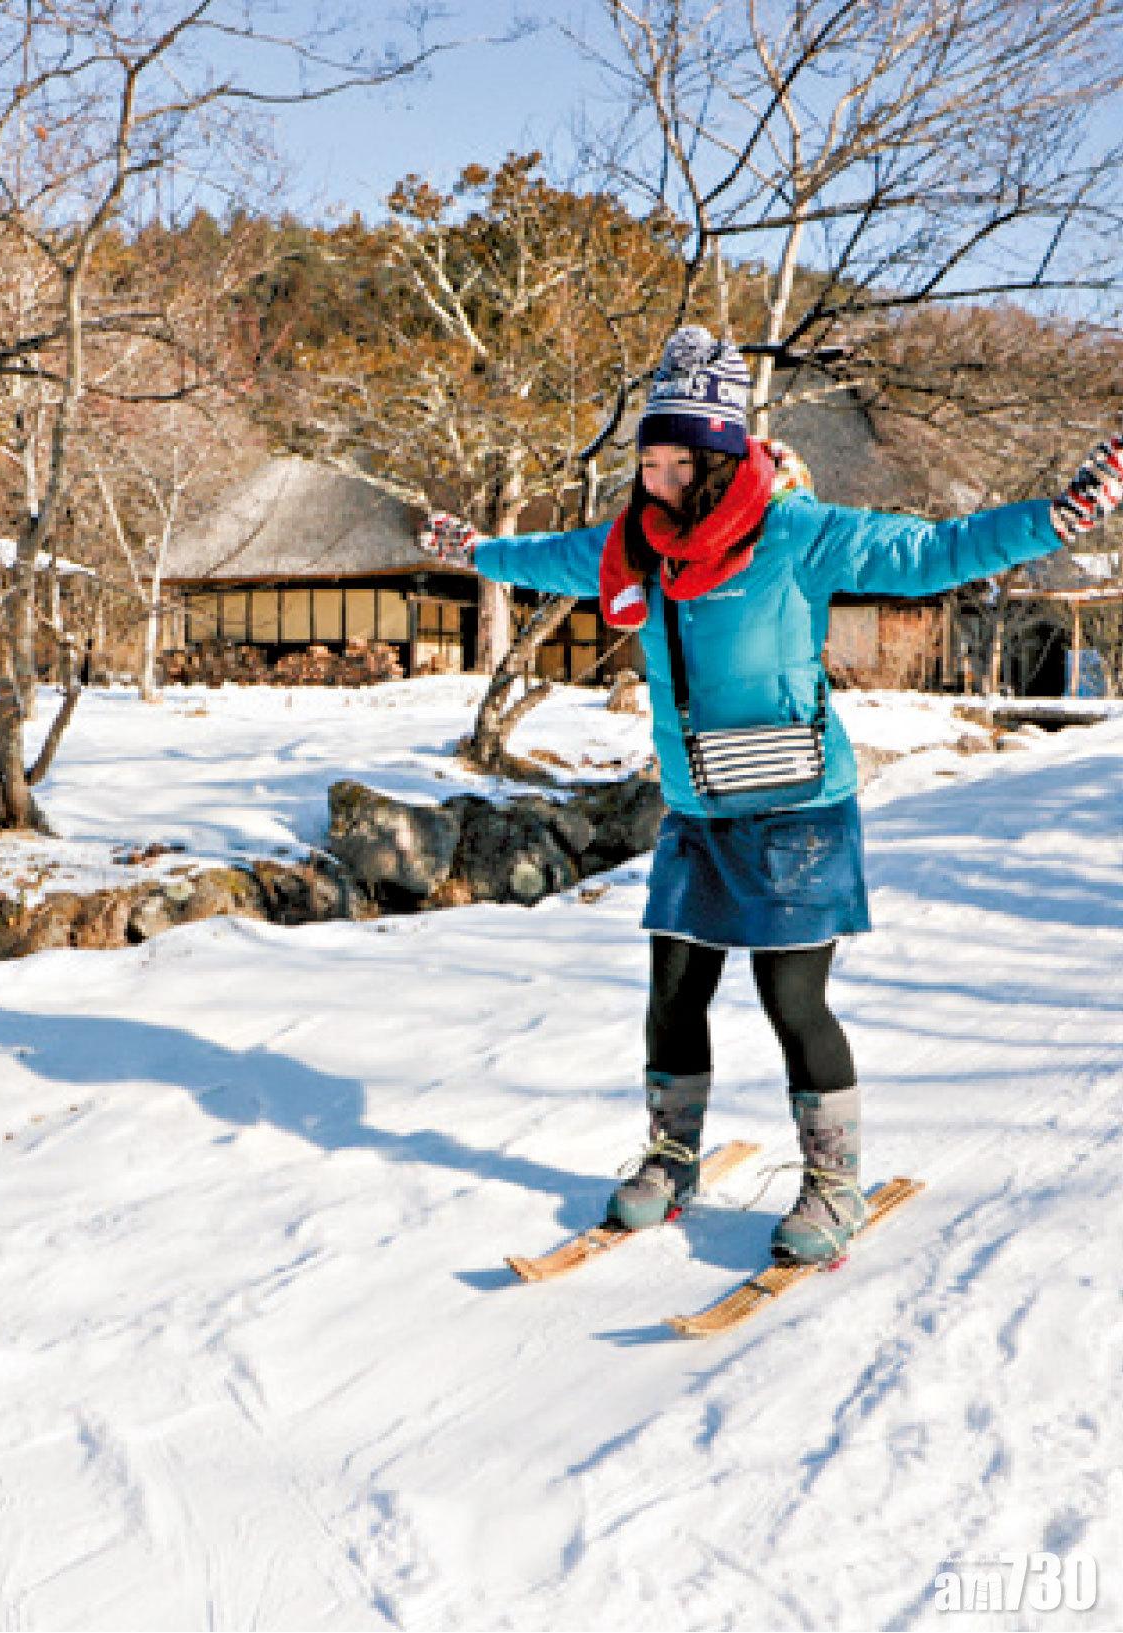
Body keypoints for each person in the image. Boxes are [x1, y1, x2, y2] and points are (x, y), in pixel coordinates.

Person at [419, 325, 1122, 1263]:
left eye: (675, 462)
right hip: (700, 810)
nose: (656, 478)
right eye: (648, 459)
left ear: (714, 461)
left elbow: (934, 551)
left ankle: (834, 1181)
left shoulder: (795, 531)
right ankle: (673, 1156)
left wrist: (1059, 519)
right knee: (674, 987)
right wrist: (478, 550)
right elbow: (548, 557)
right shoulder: (637, 544)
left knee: (791, 996)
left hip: (796, 806)